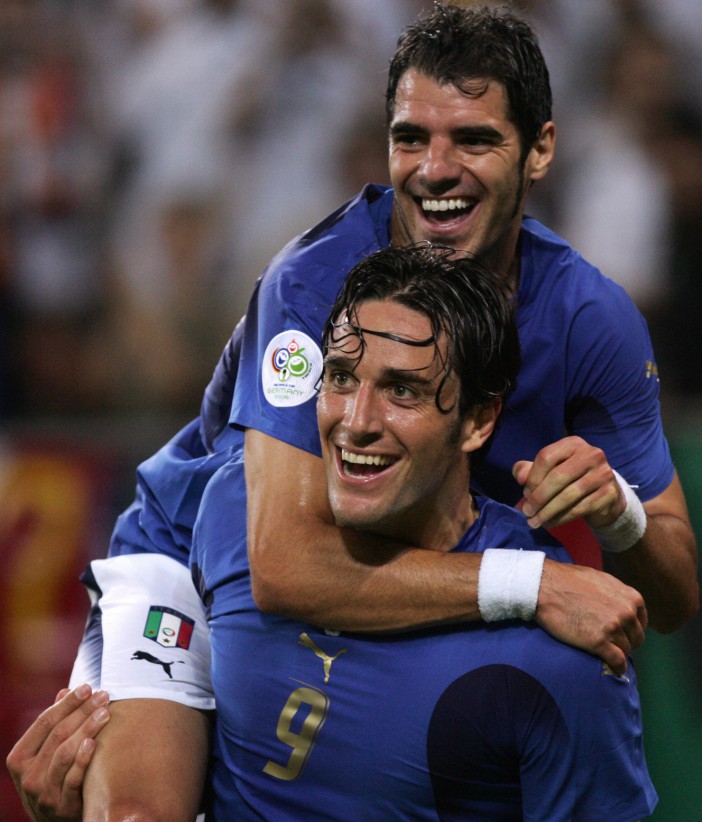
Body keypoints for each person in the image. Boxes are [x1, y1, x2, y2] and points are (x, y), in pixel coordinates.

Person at [7, 3, 697, 818]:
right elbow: (286, 565)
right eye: (411, 138)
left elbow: (677, 594)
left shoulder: (590, 318)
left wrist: (617, 510)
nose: (435, 169)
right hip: (200, 558)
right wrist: (535, 583)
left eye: (472, 138)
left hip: (392, 563)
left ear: (541, 148)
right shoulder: (313, 283)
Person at [12, 245, 660, 820]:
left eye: (402, 392)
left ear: (478, 421)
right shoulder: (238, 504)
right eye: (342, 378)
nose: (356, 423)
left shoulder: (564, 656)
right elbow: (153, 535)